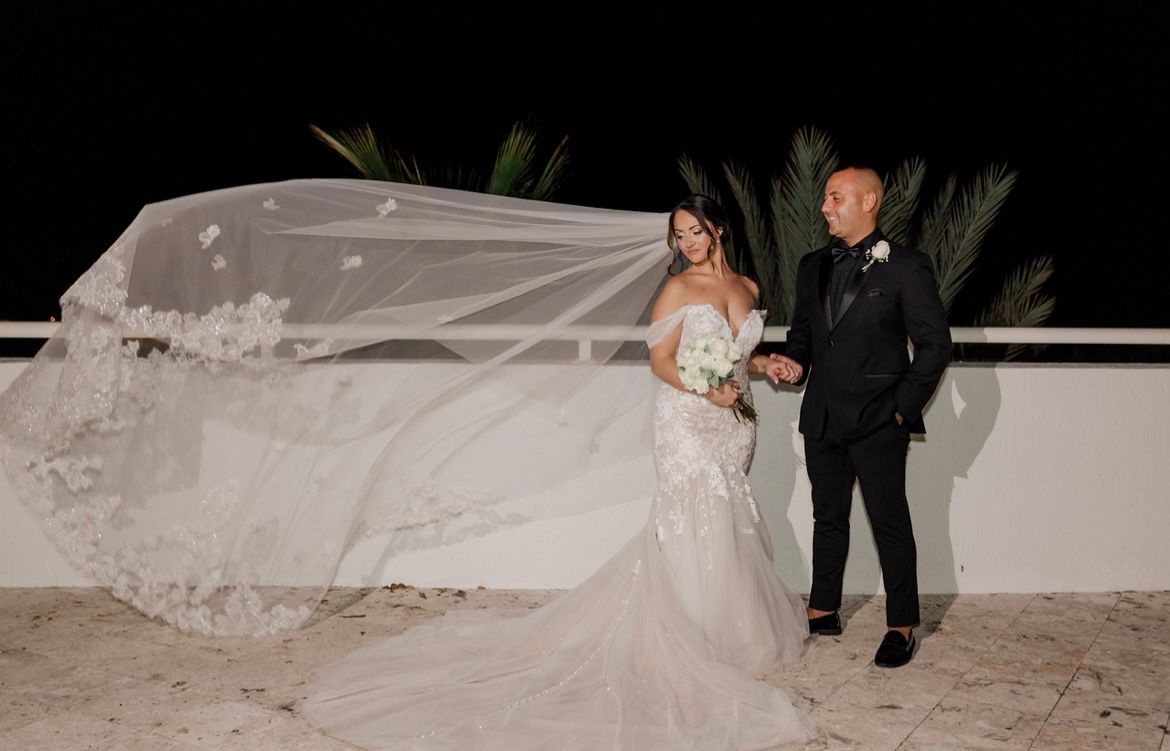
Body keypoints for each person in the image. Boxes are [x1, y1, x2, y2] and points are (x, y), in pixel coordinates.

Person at [302, 195, 817, 749]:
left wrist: (766, 362)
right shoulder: (676, 289)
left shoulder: (748, 287)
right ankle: (690, 636)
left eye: (696, 231)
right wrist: (707, 391)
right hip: (687, 423)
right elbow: (661, 361)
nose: (689, 242)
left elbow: (739, 355)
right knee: (693, 516)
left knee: (728, 515)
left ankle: (728, 630)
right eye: (680, 234)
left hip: (733, 425)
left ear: (718, 229)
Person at [773, 166, 952, 668]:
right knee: (827, 517)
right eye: (826, 198)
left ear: (868, 201)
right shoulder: (812, 265)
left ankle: (902, 625)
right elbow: (804, 336)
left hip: (878, 420)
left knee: (889, 522)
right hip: (822, 417)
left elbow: (935, 345)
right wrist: (794, 363)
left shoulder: (906, 267)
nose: (824, 206)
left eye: (835, 197)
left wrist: (900, 409)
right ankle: (822, 609)